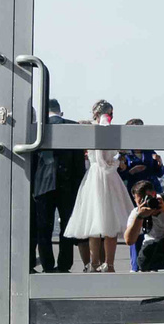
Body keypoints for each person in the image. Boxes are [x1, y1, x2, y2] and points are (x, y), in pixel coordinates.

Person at [65, 100, 132, 271]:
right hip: (106, 176)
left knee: (94, 221)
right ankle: (109, 264)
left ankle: (94, 263)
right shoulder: (107, 130)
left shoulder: (91, 130)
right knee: (110, 223)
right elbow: (105, 161)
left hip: (94, 176)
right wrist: (119, 160)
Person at [31, 96, 81, 273]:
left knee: (43, 227)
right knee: (67, 226)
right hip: (67, 185)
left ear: (45, 113)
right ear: (61, 112)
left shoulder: (37, 129)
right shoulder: (74, 127)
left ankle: (47, 265)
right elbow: (78, 163)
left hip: (42, 184)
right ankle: (64, 264)